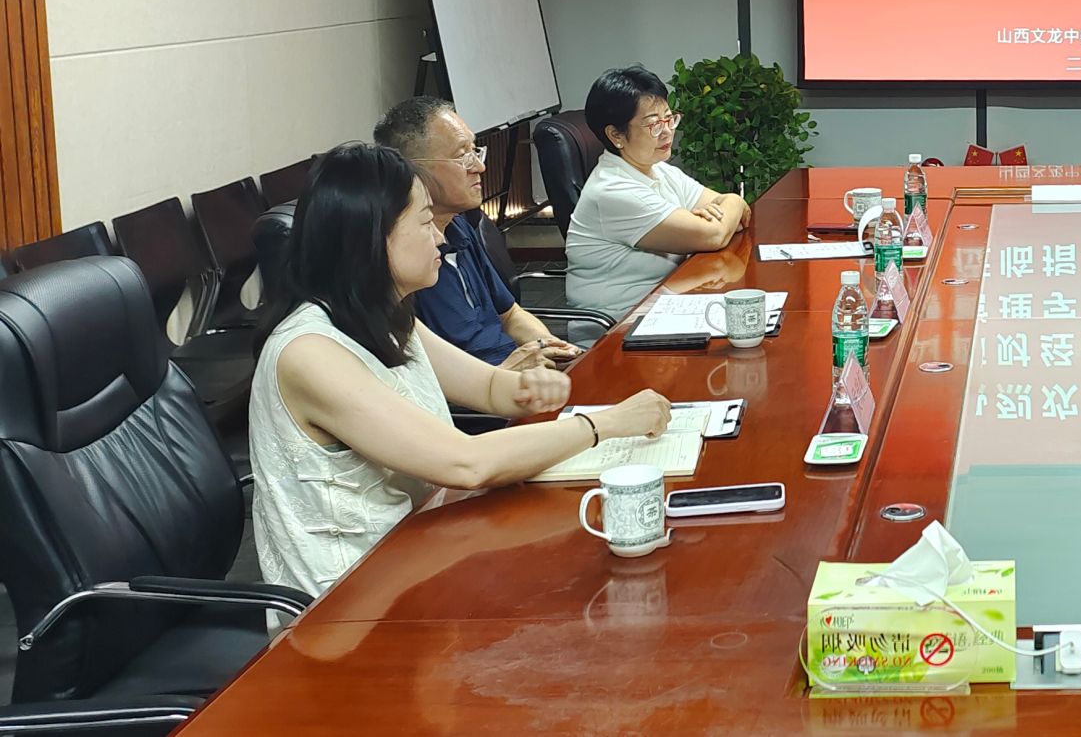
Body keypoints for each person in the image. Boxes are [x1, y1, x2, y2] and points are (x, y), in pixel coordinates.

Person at [249, 142, 672, 597]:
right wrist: (605, 425)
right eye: (424, 221)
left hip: (419, 546)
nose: (440, 238)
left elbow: (487, 387)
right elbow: (466, 464)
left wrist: (527, 388)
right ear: (371, 238)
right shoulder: (310, 352)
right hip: (350, 598)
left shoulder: (382, 313)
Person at [374, 96, 583, 366]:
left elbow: (510, 314)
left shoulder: (459, 224)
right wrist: (507, 375)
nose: (479, 166)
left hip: (514, 375)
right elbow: (429, 374)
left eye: (475, 151)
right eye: (462, 156)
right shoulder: (401, 259)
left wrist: (551, 348)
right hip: (484, 386)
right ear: (412, 168)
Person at [566, 66, 751, 316]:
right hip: (621, 321)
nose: (667, 131)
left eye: (669, 118)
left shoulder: (659, 170)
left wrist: (727, 205)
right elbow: (715, 234)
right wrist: (735, 202)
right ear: (616, 135)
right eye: (653, 124)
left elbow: (729, 218)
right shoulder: (612, 191)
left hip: (667, 301)